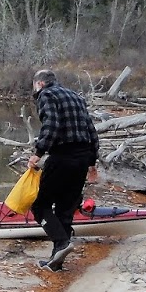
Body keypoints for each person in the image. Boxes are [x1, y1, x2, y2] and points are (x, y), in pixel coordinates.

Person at [27, 68, 99, 271]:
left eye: (35, 86)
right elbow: (90, 130)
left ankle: (62, 243)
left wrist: (38, 152)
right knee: (65, 210)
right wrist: (92, 162)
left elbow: (51, 125)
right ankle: (55, 263)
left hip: (62, 157)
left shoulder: (46, 95)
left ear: (39, 83)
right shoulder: (76, 97)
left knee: (40, 206)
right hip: (82, 158)